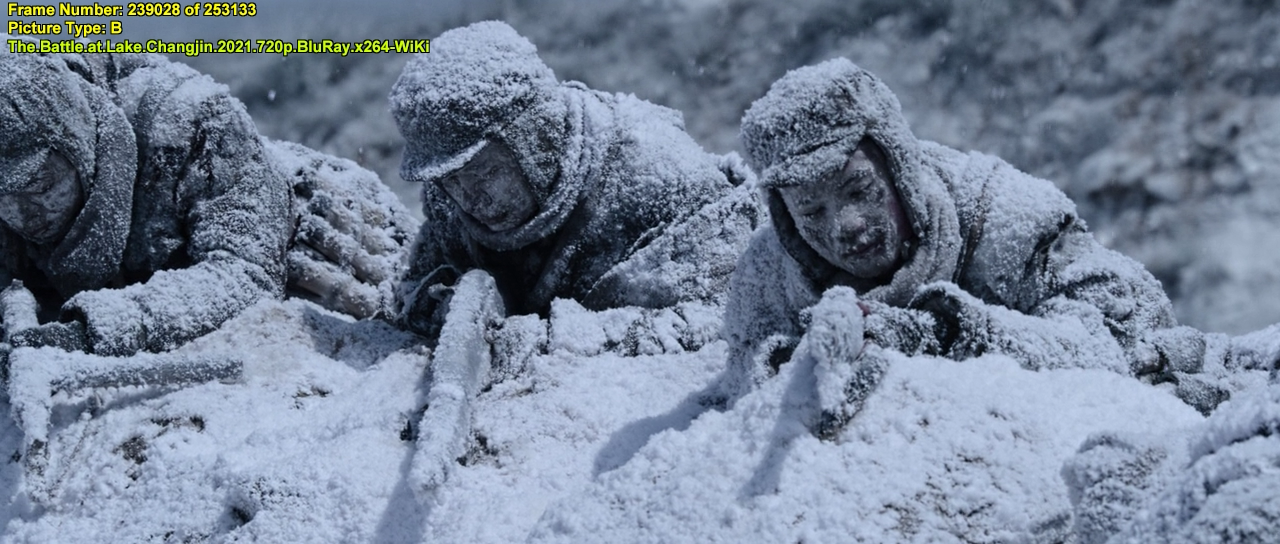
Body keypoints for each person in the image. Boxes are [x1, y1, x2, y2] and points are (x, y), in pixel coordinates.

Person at [721, 58, 1272, 427]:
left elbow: (1128, 330)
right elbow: (743, 379)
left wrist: (944, 331)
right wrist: (797, 359)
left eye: (860, 189)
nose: (845, 226)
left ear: (898, 166)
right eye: (810, 210)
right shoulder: (768, 276)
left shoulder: (1004, 214)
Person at [0, 49, 414, 359]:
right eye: (4, 200)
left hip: (311, 234)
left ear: (77, 143)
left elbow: (246, 275)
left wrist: (95, 328)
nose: (24, 214)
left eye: (40, 183)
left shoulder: (189, 121)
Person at [389, 21, 762, 346]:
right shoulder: (448, 200)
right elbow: (417, 287)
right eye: (451, 181)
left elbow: (729, 311)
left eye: (487, 173)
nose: (471, 200)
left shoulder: (657, 173)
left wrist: (551, 337)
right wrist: (438, 305)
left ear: (535, 140)